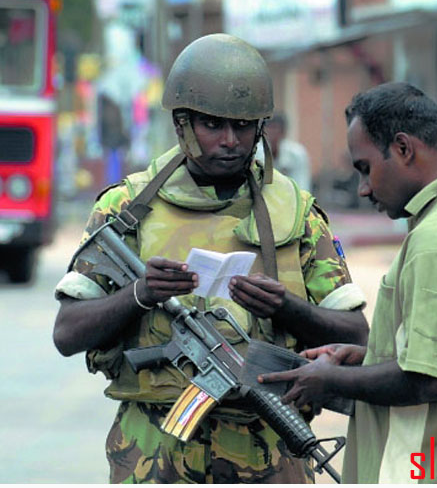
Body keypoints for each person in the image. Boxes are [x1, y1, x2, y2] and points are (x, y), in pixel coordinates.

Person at [52, 33, 368, 483]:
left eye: (243, 126)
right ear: (182, 123)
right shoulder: (126, 209)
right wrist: (140, 293)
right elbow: (67, 333)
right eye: (213, 125)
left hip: (268, 451)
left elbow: (356, 334)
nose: (230, 141)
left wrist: (286, 308)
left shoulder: (297, 215)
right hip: (154, 451)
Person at [260, 82, 437, 483]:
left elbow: (430, 379)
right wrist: (367, 358)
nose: (364, 188)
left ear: (403, 148)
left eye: (365, 168)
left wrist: (330, 379)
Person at [257, 112, 312, 191]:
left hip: (291, 194)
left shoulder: (297, 154)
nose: (272, 133)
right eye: (269, 128)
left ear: (283, 132)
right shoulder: (256, 153)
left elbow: (302, 183)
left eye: (275, 128)